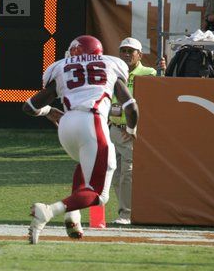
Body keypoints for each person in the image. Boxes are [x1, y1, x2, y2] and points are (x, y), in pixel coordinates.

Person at [22, 35, 139, 244]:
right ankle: (48, 211)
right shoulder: (111, 64)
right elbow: (131, 107)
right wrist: (131, 128)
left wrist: (49, 111)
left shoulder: (60, 67)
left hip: (67, 125)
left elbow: (29, 107)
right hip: (92, 122)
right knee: (99, 195)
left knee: (90, 165)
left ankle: (73, 216)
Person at [108, 38, 159, 225]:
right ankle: (126, 210)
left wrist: (164, 70)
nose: (126, 54)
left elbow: (159, 98)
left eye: (131, 51)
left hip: (131, 132)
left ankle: (127, 214)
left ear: (140, 55)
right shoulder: (113, 72)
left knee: (127, 173)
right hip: (114, 129)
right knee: (114, 173)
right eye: (123, 50)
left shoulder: (149, 73)